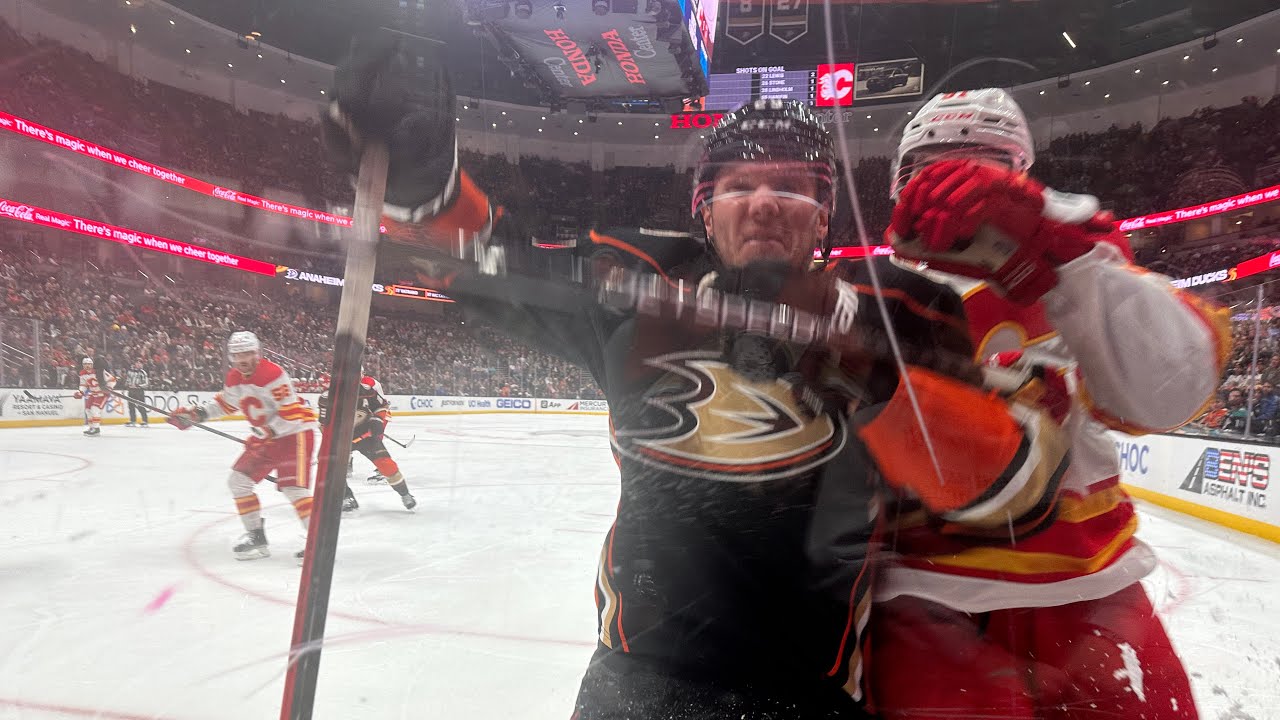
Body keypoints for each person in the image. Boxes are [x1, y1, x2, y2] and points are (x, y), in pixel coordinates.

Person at [324, 40, 1071, 718]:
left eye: (794, 185)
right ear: (704, 211)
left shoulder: (899, 306)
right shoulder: (642, 281)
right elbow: (497, 262)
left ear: (825, 219)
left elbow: (1005, 496)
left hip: (808, 691)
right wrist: (422, 181)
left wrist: (856, 368)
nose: (765, 202)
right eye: (738, 184)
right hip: (637, 681)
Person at [869, 87, 1229, 720]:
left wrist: (1072, 256)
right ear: (902, 184)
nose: (956, 182)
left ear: (1020, 178)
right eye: (934, 166)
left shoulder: (1077, 270)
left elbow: (1169, 392)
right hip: (926, 603)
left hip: (1095, 599)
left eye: (977, 164)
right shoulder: (872, 296)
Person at [167, 331, 318, 561]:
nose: (243, 359)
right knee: (238, 482)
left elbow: (292, 413)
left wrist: (268, 431)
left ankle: (319, 543)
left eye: (247, 353)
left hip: (294, 433)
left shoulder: (272, 374)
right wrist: (197, 414)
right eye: (238, 355)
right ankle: (256, 537)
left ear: (257, 353)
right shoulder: (234, 378)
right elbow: (226, 405)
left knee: (294, 489)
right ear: (231, 357)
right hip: (266, 436)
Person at [317, 372, 417, 512]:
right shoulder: (326, 398)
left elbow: (381, 407)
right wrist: (334, 440)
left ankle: (405, 493)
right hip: (342, 437)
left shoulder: (367, 391)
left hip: (366, 435)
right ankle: (346, 497)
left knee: (386, 464)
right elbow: (324, 425)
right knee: (331, 467)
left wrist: (377, 421)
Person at [74, 356, 115, 436]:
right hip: (93, 394)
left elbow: (112, 379)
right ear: (83, 365)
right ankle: (91, 427)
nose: (87, 366)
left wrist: (109, 388)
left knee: (95, 409)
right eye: (85, 364)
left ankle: (96, 429)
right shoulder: (82, 374)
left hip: (102, 394)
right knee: (88, 410)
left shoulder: (99, 371)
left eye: (89, 364)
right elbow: (83, 385)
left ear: (92, 364)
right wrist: (80, 392)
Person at [120, 359, 150, 427]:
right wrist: (125, 387)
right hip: (131, 390)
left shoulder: (143, 373)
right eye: (137, 363)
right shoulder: (130, 371)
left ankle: (145, 421)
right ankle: (132, 420)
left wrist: (137, 386)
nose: (139, 364)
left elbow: (146, 384)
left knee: (141, 406)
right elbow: (127, 380)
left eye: (140, 363)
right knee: (131, 406)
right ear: (135, 364)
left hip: (139, 391)